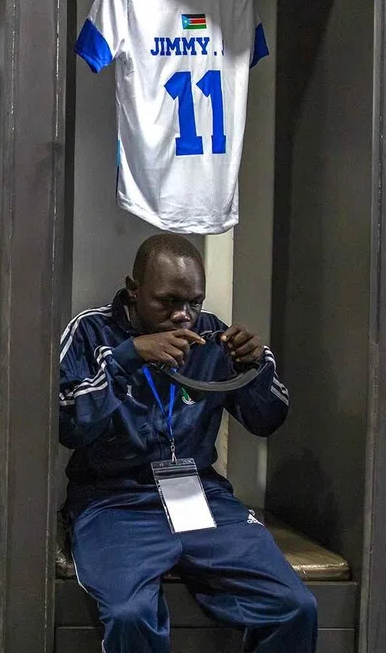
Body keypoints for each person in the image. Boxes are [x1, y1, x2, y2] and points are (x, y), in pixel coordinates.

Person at [59, 233, 317, 652]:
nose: (183, 315)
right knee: (130, 615)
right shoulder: (91, 331)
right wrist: (128, 357)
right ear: (133, 289)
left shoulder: (211, 334)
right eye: (167, 301)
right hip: (114, 500)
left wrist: (256, 366)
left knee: (293, 606)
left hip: (200, 496)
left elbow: (267, 420)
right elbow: (65, 423)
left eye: (193, 302)